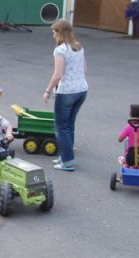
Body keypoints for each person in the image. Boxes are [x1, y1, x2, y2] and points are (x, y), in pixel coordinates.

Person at [43, 19, 88, 172]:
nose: (53, 35)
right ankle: (66, 155)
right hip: (82, 90)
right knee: (70, 124)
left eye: (54, 32)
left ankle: (68, 162)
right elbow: (84, 69)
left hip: (67, 91)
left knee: (61, 127)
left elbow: (57, 74)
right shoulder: (78, 46)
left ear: (60, 32)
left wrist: (47, 90)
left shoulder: (60, 50)